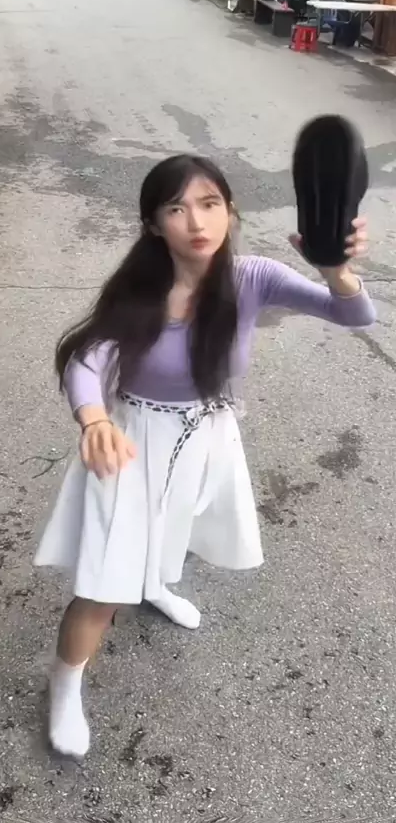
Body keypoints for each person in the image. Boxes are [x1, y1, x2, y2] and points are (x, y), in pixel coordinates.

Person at [35, 154, 375, 759]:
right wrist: (93, 419)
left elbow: (354, 314)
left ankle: (154, 584)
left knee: (177, 527)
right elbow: (88, 359)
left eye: (209, 203)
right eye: (176, 208)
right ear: (153, 224)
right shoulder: (141, 290)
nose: (196, 221)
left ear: (230, 211)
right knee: (103, 585)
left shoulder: (253, 278)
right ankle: (64, 684)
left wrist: (336, 271)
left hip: (205, 434)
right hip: (131, 441)